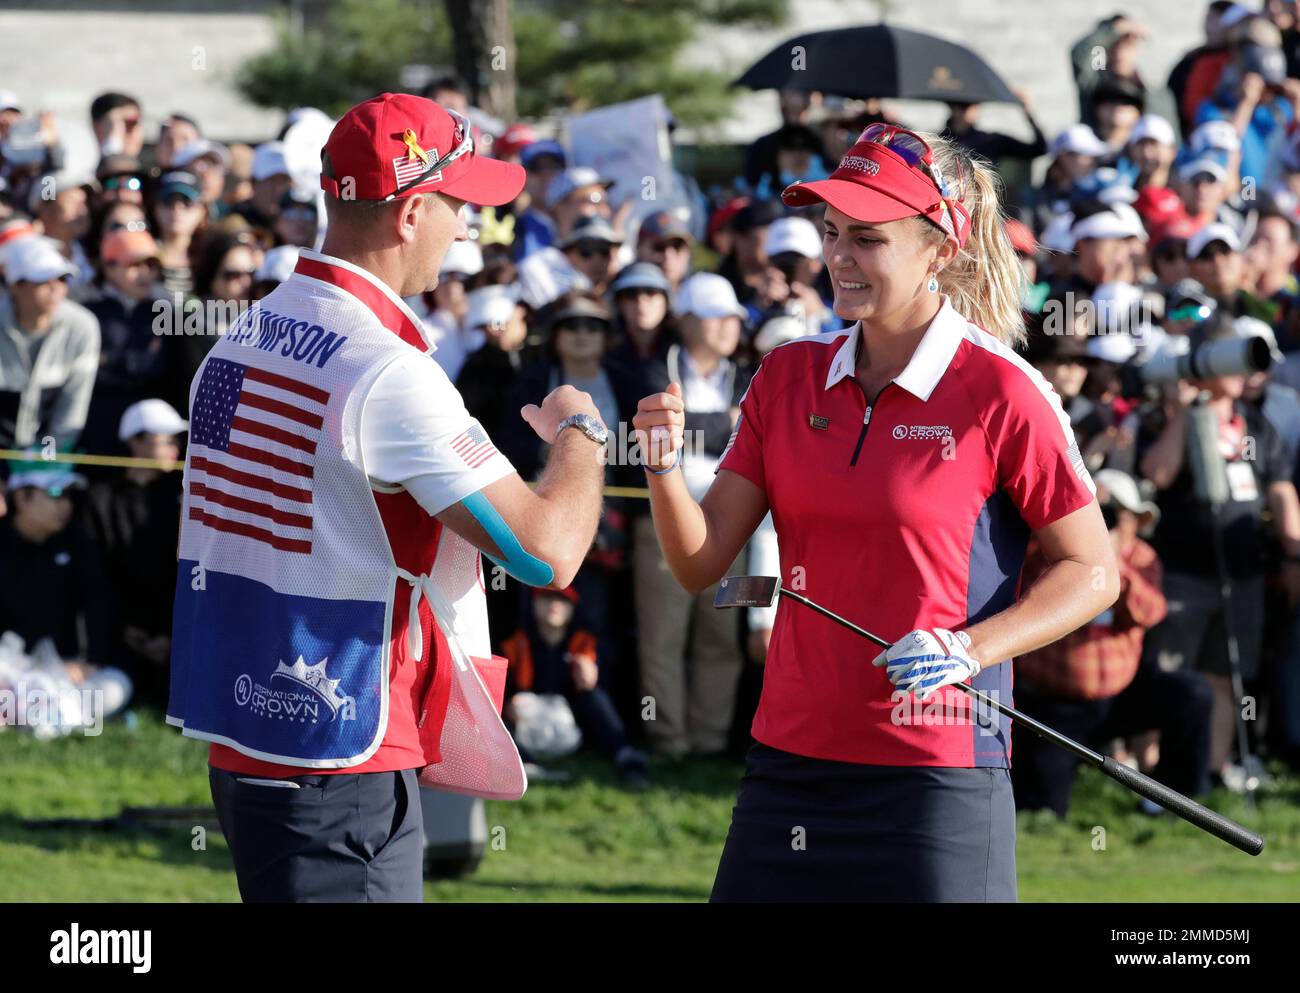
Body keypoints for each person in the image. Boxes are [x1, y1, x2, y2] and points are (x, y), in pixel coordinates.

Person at [633, 125, 1117, 901]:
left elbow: (1093, 570)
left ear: (939, 249)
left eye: (868, 237)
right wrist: (660, 469)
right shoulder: (785, 376)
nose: (840, 257)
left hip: (937, 773)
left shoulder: (1002, 390)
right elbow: (699, 562)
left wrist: (971, 646)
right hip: (790, 764)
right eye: (832, 234)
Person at [170, 92, 606, 903]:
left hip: (246, 732)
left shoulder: (240, 338)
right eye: (460, 206)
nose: (469, 228)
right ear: (411, 213)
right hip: (342, 752)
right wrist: (583, 429)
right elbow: (547, 552)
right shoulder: (389, 372)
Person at [1011, 469, 1213, 816]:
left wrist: (1111, 563)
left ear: (1136, 520)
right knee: (1045, 809)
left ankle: (1178, 805)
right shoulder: (1042, 551)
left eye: (1113, 515)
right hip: (1056, 706)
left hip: (1119, 697)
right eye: (1093, 512)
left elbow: (1151, 612)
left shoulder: (1142, 557)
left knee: (1192, 694)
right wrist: (1082, 552)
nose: (1103, 523)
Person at [0, 464, 132, 723]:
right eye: (55, 494)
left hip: (64, 670)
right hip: (7, 665)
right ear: (21, 498)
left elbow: (98, 604)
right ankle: (42, 714)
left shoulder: (78, 543)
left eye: (68, 495)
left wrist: (91, 661)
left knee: (116, 686)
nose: (65, 505)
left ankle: (35, 714)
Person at [82, 399, 186, 709]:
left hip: (175, 637)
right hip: (120, 637)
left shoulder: (183, 497)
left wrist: (168, 635)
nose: (174, 447)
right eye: (164, 439)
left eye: (175, 439)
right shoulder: (100, 499)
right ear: (134, 442)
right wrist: (128, 634)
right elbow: (96, 580)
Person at [499, 587, 649, 788]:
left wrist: (592, 673)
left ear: (572, 608)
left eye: (561, 600)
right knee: (500, 706)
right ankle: (523, 762)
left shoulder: (585, 643)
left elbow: (605, 684)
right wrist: (510, 702)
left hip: (573, 726)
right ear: (534, 604)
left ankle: (624, 753)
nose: (554, 605)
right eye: (546, 598)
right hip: (527, 722)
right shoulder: (515, 643)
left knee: (594, 696)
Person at [0, 236, 100, 455]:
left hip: (51, 458)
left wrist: (45, 464)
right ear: (16, 286)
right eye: (43, 280)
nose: (56, 288)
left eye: (62, 279)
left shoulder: (83, 326)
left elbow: (72, 408)